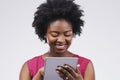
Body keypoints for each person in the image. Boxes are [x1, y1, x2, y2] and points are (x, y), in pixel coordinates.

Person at [19, 0, 95, 80]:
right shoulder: (29, 66)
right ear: (45, 33)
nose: (61, 40)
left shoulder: (86, 65)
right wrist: (38, 76)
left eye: (67, 34)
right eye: (54, 34)